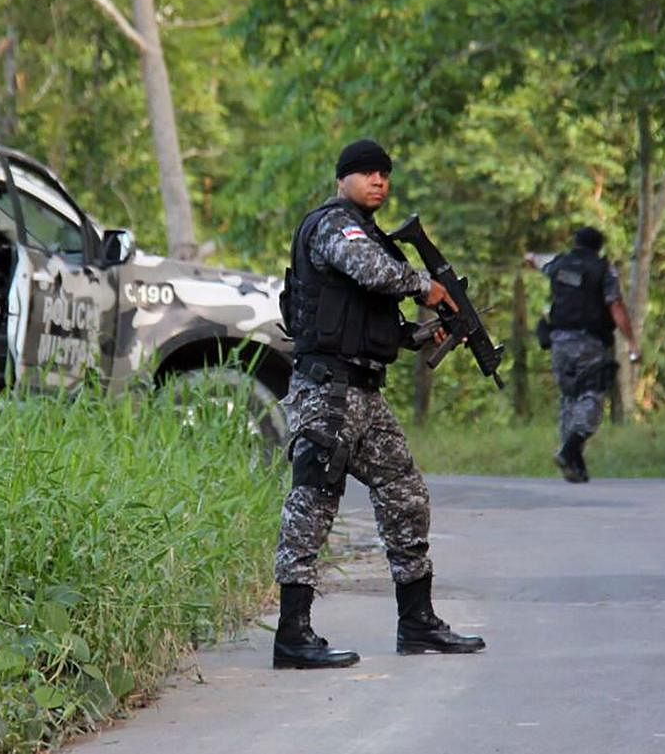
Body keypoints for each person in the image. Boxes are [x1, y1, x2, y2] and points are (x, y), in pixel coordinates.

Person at [273, 138, 486, 670]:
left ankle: (417, 623)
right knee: (313, 503)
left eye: (385, 174)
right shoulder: (333, 226)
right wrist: (427, 286)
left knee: (406, 493)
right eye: (367, 172)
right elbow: (369, 271)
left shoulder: (373, 237)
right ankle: (291, 634)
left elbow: (372, 324)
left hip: (363, 392)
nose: (379, 181)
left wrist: (422, 336)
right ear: (343, 178)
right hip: (327, 392)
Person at [525, 227, 641, 484]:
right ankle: (570, 448)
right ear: (599, 247)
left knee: (569, 397)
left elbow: (533, 259)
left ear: (575, 243)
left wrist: (529, 257)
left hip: (558, 341)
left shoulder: (559, 263)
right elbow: (615, 306)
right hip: (589, 342)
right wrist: (632, 342)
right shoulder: (603, 270)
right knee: (591, 395)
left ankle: (573, 464)